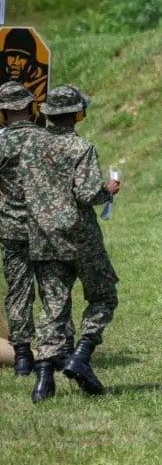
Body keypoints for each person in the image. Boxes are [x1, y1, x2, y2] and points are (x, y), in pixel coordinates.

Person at [20, 86, 121, 403]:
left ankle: (44, 380)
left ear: (48, 113)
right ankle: (82, 355)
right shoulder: (81, 148)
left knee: (53, 307)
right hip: (80, 236)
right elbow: (88, 194)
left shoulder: (29, 147)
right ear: (78, 114)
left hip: (42, 237)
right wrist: (109, 190)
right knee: (103, 295)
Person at [0, 81, 45, 375]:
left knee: (18, 291)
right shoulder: (46, 139)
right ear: (30, 108)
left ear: (3, 113)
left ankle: (23, 357)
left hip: (11, 226)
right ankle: (57, 350)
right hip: (46, 227)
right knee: (53, 288)